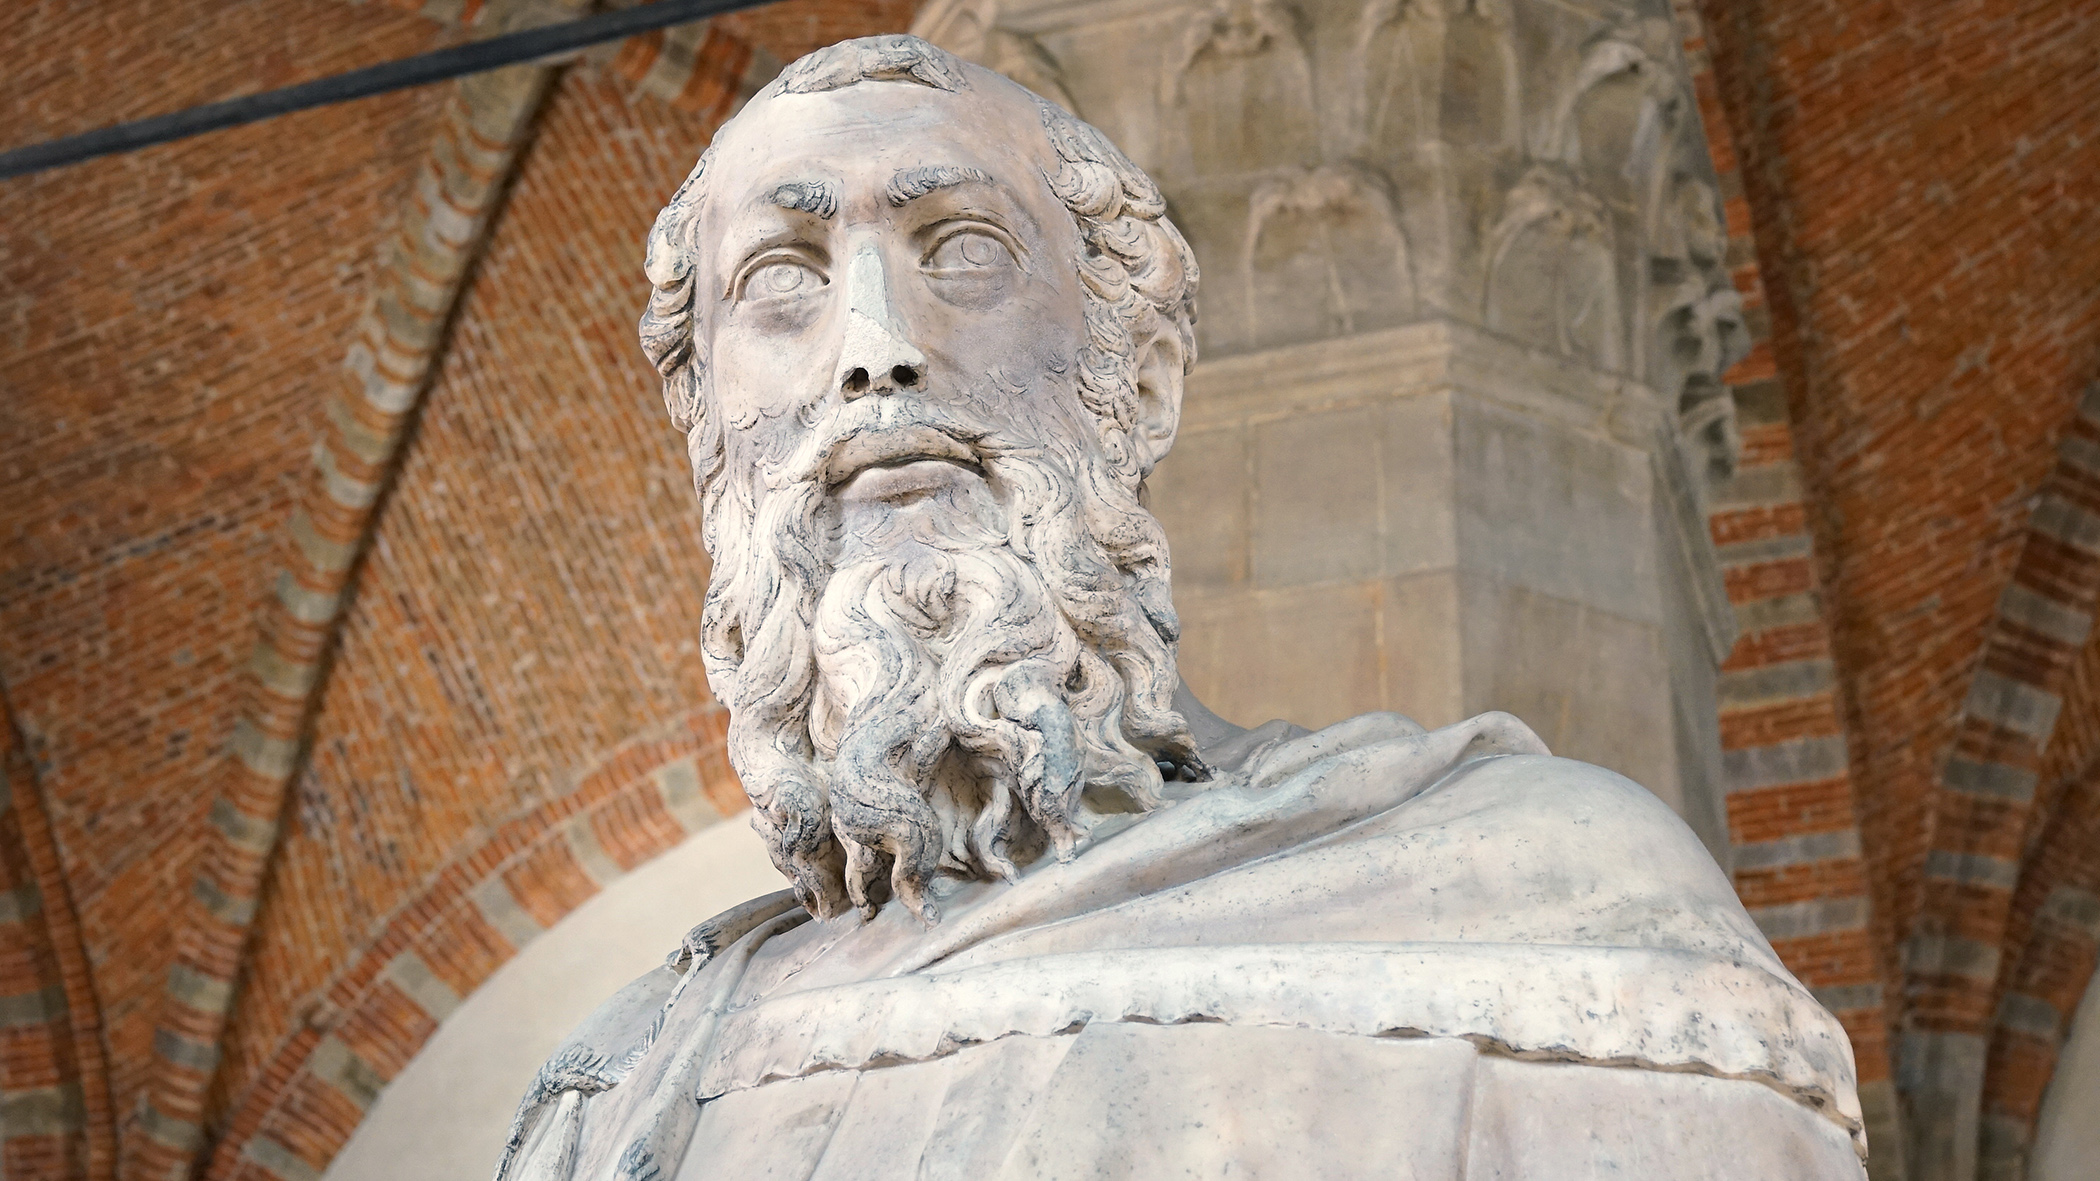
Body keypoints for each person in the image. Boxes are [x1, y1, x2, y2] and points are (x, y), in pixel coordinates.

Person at [496, 34, 1866, 1181]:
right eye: (781, 283)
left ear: (1140, 380)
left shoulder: (1551, 903)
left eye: (958, 250)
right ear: (708, 428)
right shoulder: (625, 1084)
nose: (873, 350)